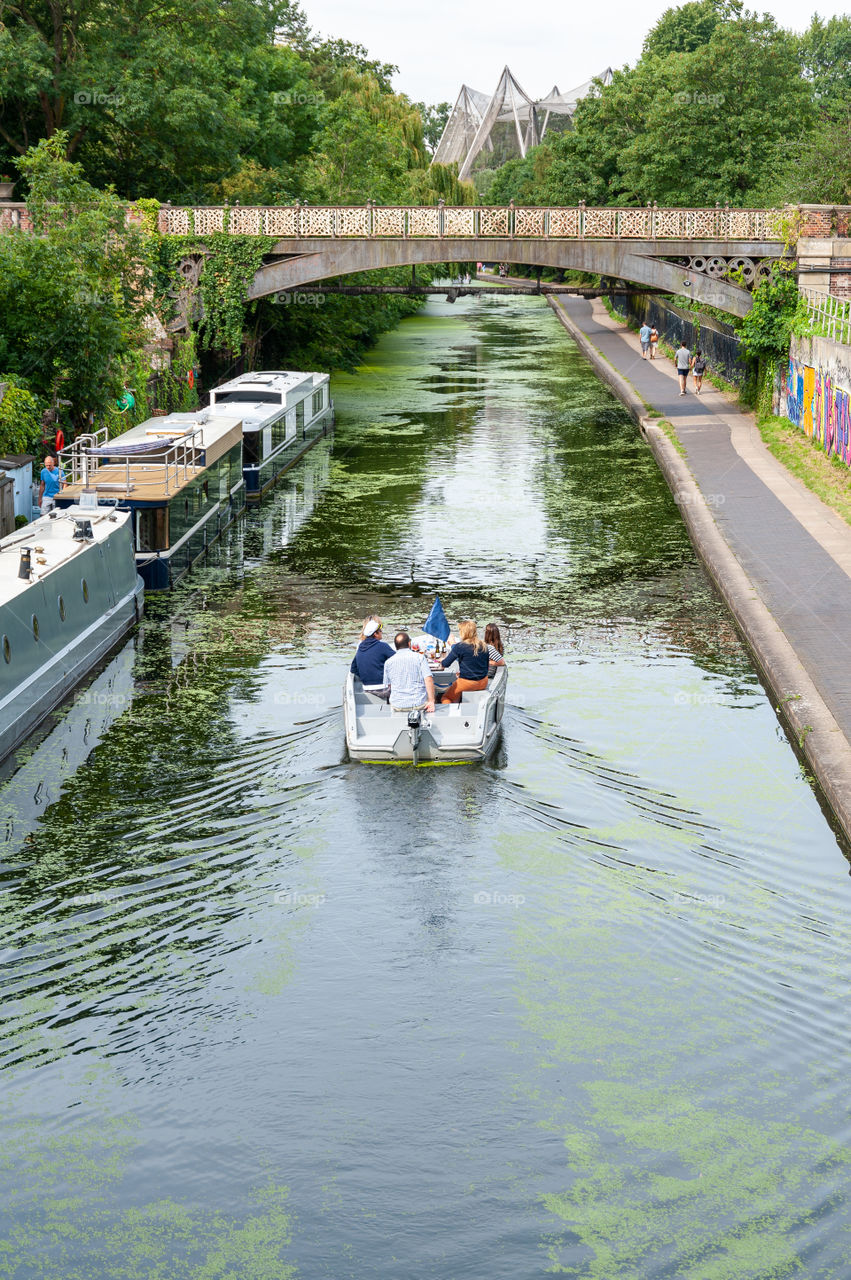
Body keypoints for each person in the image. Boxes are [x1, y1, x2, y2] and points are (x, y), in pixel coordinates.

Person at [437, 620, 490, 704]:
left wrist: (441, 661)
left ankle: (452, 714)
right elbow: (485, 666)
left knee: (446, 697)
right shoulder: (484, 645)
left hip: (467, 683)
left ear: (463, 632)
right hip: (483, 681)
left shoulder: (460, 646)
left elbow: (445, 664)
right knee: (457, 687)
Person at [383, 631, 435, 713]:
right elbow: (428, 679)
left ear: (396, 646)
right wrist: (431, 701)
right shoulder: (420, 658)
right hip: (418, 704)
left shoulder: (388, 662)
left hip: (397, 705)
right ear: (409, 643)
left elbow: (388, 685)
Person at [350, 616, 394, 690]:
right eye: (380, 631)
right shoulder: (382, 646)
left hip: (366, 687)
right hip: (383, 687)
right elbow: (398, 660)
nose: (382, 632)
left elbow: (353, 669)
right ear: (375, 634)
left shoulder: (360, 647)